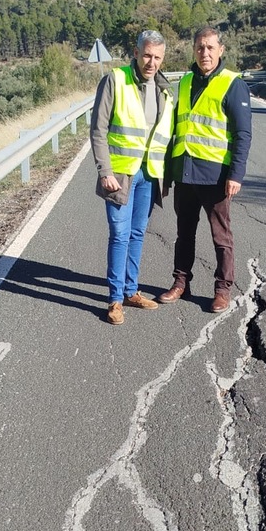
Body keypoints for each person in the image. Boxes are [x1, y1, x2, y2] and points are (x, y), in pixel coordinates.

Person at [158, 26, 252, 312]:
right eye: (200, 47)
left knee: (220, 236)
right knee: (183, 233)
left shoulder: (232, 84)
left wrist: (235, 174)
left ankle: (222, 289)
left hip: (215, 176)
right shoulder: (184, 82)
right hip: (184, 172)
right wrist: (166, 172)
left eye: (210, 47)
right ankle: (180, 282)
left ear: (221, 50)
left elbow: (243, 134)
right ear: (194, 50)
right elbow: (172, 128)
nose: (205, 53)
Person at [91, 29, 173, 325]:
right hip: (121, 174)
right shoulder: (116, 79)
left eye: (158, 57)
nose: (152, 62)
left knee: (138, 234)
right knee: (120, 234)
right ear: (136, 53)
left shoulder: (164, 89)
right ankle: (114, 300)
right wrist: (105, 171)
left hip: (149, 175)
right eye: (147, 55)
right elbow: (98, 129)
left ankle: (131, 290)